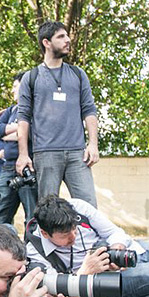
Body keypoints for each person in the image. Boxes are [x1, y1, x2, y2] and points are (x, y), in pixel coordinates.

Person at [16, 21, 99, 206]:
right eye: (61, 37)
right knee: (47, 210)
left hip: (78, 153)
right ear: (46, 43)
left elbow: (89, 110)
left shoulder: (78, 74)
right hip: (45, 153)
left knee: (89, 208)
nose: (68, 40)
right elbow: (23, 118)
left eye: (67, 35)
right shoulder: (31, 77)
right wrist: (23, 154)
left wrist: (93, 144)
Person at [0, 72, 38, 225]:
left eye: (15, 87)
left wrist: (12, 132)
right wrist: (20, 130)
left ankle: (31, 247)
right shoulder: (11, 110)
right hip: (7, 167)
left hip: (28, 168)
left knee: (32, 216)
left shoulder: (36, 108)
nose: (12, 91)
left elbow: (33, 133)